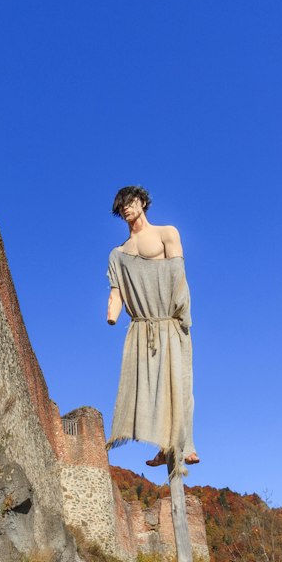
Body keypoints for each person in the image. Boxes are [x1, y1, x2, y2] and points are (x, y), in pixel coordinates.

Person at [105, 185, 197, 469]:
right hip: (141, 327)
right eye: (121, 205)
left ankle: (185, 445)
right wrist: (111, 314)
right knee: (150, 389)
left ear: (142, 202)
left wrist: (181, 313)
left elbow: (177, 274)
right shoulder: (118, 253)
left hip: (170, 320)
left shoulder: (166, 233)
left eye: (130, 202)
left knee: (179, 384)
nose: (126, 207)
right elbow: (117, 291)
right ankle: (163, 445)